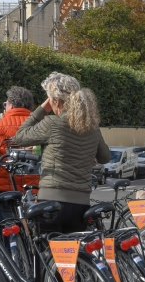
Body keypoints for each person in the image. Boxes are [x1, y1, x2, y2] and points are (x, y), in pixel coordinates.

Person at [13, 72, 110, 234]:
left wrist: (42, 109)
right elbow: (105, 157)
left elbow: (19, 137)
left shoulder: (52, 123)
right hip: (81, 203)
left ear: (56, 102)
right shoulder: (91, 127)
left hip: (52, 201)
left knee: (47, 254)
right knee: (74, 254)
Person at [0, 86, 39, 194]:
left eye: (5, 104)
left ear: (11, 105)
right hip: (35, 187)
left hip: (5, 188)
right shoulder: (41, 125)